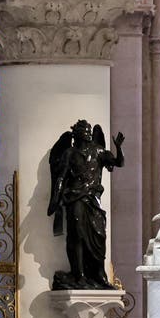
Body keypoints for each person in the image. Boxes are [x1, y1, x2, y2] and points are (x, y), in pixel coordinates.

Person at [49, 119, 126, 290]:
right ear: (76, 134)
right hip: (75, 199)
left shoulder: (99, 151)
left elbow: (119, 163)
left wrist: (118, 147)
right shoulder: (69, 153)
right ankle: (79, 275)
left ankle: (99, 275)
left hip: (92, 200)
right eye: (83, 131)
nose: (87, 134)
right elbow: (60, 177)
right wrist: (55, 198)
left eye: (88, 131)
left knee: (99, 236)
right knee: (76, 235)